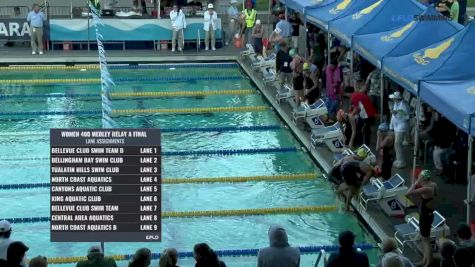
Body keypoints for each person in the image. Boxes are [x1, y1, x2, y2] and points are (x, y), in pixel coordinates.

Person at [406, 170, 437, 267]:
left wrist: (416, 183)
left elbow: (408, 193)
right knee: (424, 238)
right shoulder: (433, 184)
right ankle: (425, 260)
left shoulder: (427, 189)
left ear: (423, 178)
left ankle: (428, 262)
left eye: (419, 177)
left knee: (426, 239)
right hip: (427, 213)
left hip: (426, 215)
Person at [350, 80, 377, 146]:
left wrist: (352, 114)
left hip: (366, 115)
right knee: (365, 130)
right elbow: (356, 108)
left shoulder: (357, 95)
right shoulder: (360, 95)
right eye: (364, 86)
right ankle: (364, 144)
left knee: (362, 130)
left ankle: (361, 144)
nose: (366, 87)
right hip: (366, 115)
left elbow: (356, 108)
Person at [389, 91, 410, 169]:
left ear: (396, 98)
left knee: (397, 143)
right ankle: (399, 159)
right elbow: (393, 116)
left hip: (401, 127)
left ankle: (401, 161)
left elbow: (407, 117)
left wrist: (396, 113)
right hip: (396, 126)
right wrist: (391, 126)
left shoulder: (404, 105)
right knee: (397, 144)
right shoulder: (395, 104)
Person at [325, 55, 342, 121]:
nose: (331, 67)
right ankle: (329, 119)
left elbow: (338, 82)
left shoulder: (338, 71)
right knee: (329, 107)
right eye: (331, 65)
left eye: (333, 66)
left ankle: (333, 120)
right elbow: (329, 81)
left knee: (334, 108)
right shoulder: (328, 70)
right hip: (329, 92)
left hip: (336, 94)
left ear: (336, 66)